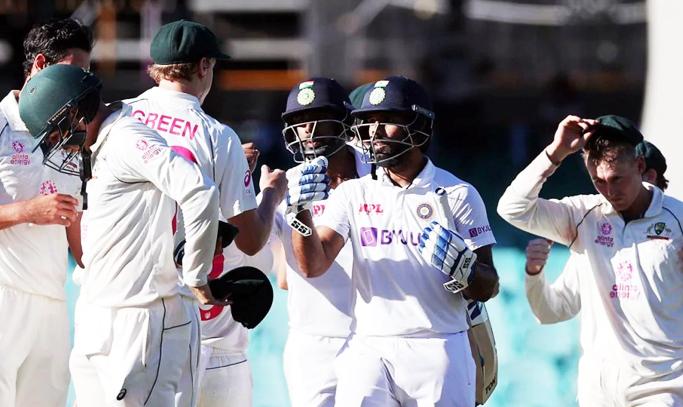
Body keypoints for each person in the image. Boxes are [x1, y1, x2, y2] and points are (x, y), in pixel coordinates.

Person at [288, 76, 499, 406]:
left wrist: (466, 269)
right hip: (369, 345)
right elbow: (313, 265)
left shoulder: (457, 194)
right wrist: (300, 212)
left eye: (386, 120)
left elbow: (489, 286)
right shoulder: (353, 193)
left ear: (419, 125)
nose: (374, 132)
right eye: (368, 121)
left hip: (439, 344)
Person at [20, 64, 221, 406]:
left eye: (56, 134)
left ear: (76, 113)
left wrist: (197, 275)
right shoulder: (101, 142)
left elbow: (199, 190)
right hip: (99, 315)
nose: (58, 145)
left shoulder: (128, 138)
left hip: (141, 318)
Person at [124, 20, 286, 407]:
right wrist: (269, 195)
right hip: (192, 318)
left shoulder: (119, 117)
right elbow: (251, 240)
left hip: (122, 309)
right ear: (203, 66)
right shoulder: (215, 135)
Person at [498, 115, 683, 406]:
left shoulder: (678, 220)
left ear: (639, 166)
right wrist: (556, 152)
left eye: (617, 179)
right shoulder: (584, 215)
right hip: (599, 390)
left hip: (661, 386)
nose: (610, 192)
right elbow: (512, 208)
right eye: (599, 182)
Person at [0, 18, 92, 407]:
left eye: (86, 75)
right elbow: (36, 210)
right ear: (40, 64)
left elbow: (79, 235)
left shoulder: (73, 137)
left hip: (53, 303)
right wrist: (27, 211)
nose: (80, 85)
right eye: (73, 72)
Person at [266, 78, 370, 406]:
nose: (307, 131)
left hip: (376, 338)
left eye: (317, 119)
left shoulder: (380, 178)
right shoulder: (286, 185)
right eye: (298, 122)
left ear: (343, 121)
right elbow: (285, 278)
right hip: (313, 343)